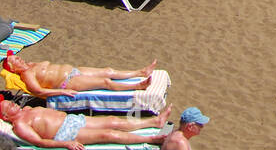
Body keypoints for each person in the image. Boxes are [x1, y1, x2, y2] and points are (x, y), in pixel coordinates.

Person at [0, 98, 170, 150]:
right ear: (6, 116)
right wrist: (66, 143)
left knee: (112, 120)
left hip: (71, 120)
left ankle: (154, 122)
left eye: (11, 102)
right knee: (108, 134)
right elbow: (40, 142)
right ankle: (152, 139)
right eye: (9, 106)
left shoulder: (27, 109)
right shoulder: (20, 125)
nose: (14, 104)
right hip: (64, 133)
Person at [1, 53, 158, 97]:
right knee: (105, 82)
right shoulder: (27, 75)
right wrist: (62, 91)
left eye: (17, 56)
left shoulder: (31, 65)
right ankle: (137, 86)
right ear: (13, 69)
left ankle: (141, 72)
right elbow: (38, 91)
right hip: (66, 82)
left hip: (74, 70)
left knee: (108, 70)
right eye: (15, 59)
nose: (19, 57)